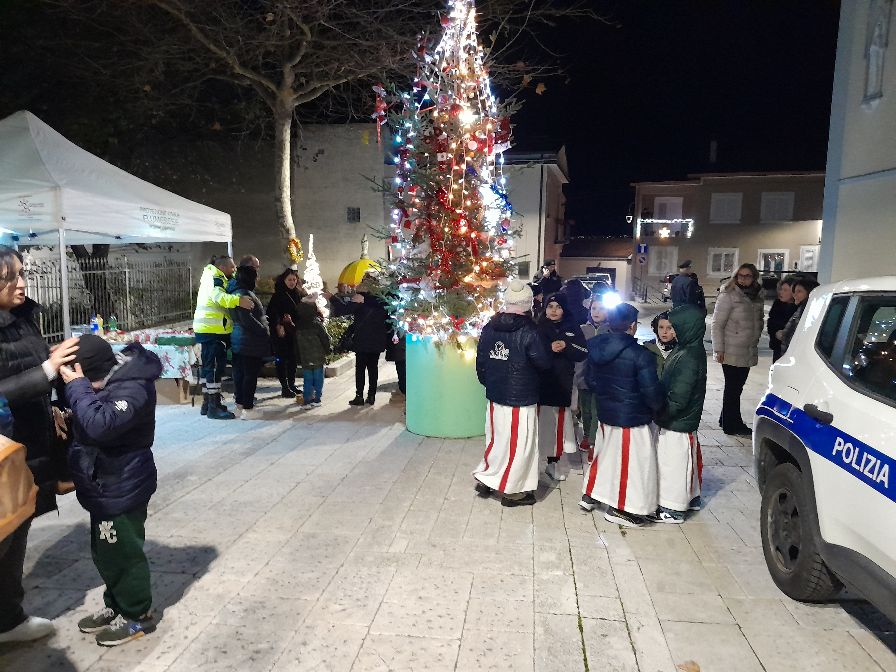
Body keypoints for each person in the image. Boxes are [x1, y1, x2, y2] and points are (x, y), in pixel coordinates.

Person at [59, 335, 162, 646]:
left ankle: (136, 615)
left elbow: (99, 425)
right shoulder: (106, 383)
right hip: (103, 484)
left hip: (122, 485)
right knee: (106, 551)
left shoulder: (131, 387)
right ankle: (116, 605)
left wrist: (76, 387)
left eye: (72, 376)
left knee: (124, 553)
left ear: (84, 371)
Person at [0, 246, 80, 644]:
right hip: (4, 444)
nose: (21, 283)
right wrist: (47, 369)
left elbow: (27, 369)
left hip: (28, 438)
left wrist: (51, 400)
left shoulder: (22, 316)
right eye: (10, 277)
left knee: (18, 525)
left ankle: (8, 619)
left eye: (21, 274)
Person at [584, 302, 665, 527]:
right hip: (631, 418)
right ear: (632, 326)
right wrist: (657, 407)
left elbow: (590, 380)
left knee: (606, 456)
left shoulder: (595, 346)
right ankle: (622, 508)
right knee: (632, 465)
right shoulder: (640, 355)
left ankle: (593, 494)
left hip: (606, 412)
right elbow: (651, 392)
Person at [472, 280, 551, 507]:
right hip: (521, 396)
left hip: (496, 395)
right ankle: (513, 490)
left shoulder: (490, 327)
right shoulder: (530, 330)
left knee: (497, 439)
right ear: (528, 304)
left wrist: (490, 383)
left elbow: (482, 362)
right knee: (519, 443)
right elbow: (543, 363)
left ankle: (488, 478)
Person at [650, 305, 706, 524]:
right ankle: (689, 498)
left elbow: (680, 396)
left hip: (677, 422)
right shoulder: (686, 349)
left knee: (674, 466)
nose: (670, 332)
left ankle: (673, 509)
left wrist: (662, 412)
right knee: (677, 463)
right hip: (674, 420)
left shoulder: (689, 356)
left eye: (675, 327)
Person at [193, 256, 253, 420]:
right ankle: (213, 406)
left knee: (209, 369)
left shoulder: (212, 275)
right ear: (222, 267)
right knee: (213, 369)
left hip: (210, 330)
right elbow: (219, 297)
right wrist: (238, 301)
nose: (234, 270)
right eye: (232, 267)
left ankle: (208, 403)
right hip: (212, 331)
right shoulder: (216, 277)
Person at [536, 293, 588, 481]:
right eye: (550, 307)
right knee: (539, 427)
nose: (554, 311)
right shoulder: (538, 327)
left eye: (558, 307)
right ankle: (535, 461)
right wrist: (548, 348)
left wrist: (566, 345)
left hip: (561, 387)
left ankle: (553, 462)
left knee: (557, 429)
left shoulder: (572, 327)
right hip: (541, 386)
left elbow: (582, 352)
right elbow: (532, 352)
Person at [711, 263, 765, 436]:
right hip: (730, 349)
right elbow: (717, 324)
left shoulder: (757, 296)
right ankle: (732, 424)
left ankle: (725, 419)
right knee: (733, 388)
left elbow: (759, 320)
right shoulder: (728, 295)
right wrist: (718, 349)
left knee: (736, 387)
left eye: (747, 276)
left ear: (754, 277)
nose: (743, 279)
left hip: (747, 349)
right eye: (740, 276)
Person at [334, 274, 390, 406]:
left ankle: (359, 396)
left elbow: (343, 310)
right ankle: (371, 396)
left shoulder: (359, 299)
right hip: (376, 339)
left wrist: (332, 298)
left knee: (360, 368)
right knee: (373, 367)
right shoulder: (381, 300)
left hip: (362, 339)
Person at [229, 265, 270, 420]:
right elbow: (247, 319)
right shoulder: (244, 295)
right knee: (249, 375)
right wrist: (263, 330)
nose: (258, 279)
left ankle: (240, 406)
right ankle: (248, 408)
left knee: (241, 373)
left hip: (240, 339)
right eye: (256, 276)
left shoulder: (235, 293)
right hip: (248, 340)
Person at [574, 288, 611, 458]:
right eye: (594, 308)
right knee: (586, 410)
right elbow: (578, 355)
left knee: (597, 410)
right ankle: (587, 434)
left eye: (602, 309)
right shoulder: (582, 329)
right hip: (584, 377)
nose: (597, 312)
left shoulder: (610, 330)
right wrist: (577, 376)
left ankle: (594, 443)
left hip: (602, 379)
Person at [266, 269, 303, 397]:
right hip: (281, 333)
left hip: (293, 331)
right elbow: (272, 312)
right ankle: (284, 386)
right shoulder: (278, 295)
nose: (292, 282)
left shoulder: (297, 294)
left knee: (292, 358)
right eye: (289, 280)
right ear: (284, 280)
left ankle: (291, 384)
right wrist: (279, 324)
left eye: (294, 279)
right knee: (281, 359)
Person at [294, 300, 330, 409]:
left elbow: (295, 344)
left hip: (305, 358)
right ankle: (317, 399)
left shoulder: (298, 326)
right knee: (318, 379)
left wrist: (298, 357)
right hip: (318, 357)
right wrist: (328, 350)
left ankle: (307, 401)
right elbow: (325, 339)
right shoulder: (317, 324)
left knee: (307, 380)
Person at [778, 277, 820, 355]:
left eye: (799, 291)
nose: (794, 295)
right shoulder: (801, 309)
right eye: (794, 291)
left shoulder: (811, 313)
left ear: (810, 293)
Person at [767, 278, 798, 362]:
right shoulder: (777, 304)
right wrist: (776, 333)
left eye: (785, 290)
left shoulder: (799, 308)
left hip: (793, 349)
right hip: (778, 346)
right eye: (780, 289)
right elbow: (771, 323)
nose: (781, 292)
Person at [643, 311, 677, 376]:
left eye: (669, 328)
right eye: (661, 327)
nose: (664, 332)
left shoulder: (682, 351)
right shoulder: (646, 349)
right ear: (656, 328)